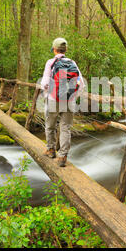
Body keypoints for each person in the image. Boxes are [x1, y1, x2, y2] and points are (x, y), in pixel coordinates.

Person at [41, 38, 83, 167]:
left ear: (54, 49)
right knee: (65, 128)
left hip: (53, 99)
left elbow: (44, 84)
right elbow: (81, 84)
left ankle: (51, 150)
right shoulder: (72, 63)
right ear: (66, 50)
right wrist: (72, 96)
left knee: (50, 125)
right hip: (69, 101)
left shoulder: (51, 62)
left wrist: (48, 94)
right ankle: (63, 157)